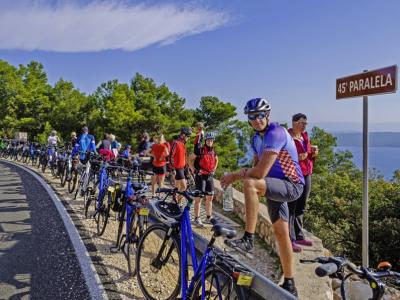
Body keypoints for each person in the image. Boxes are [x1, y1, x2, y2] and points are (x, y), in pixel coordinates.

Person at [221, 98, 304, 296]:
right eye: (252, 117)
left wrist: (233, 176)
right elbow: (256, 168)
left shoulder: (276, 132)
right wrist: (243, 173)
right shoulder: (256, 139)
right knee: (281, 233)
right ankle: (290, 283)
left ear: (267, 115)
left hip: (292, 185)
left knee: (250, 184)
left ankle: (248, 238)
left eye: (260, 115)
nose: (257, 120)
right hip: (274, 185)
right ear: (248, 120)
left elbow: (258, 174)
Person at [288, 113, 318, 251]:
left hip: (306, 174)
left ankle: (299, 237)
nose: (305, 125)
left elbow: (308, 157)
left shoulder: (305, 136)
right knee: (291, 207)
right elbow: (282, 156)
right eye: (302, 123)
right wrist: (298, 157)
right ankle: (290, 239)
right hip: (293, 175)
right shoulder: (287, 137)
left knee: (301, 206)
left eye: (306, 123)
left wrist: (313, 153)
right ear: (294, 123)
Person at [190, 129, 218, 227]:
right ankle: (197, 218)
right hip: (200, 176)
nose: (210, 142)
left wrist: (214, 169)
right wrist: (193, 170)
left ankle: (208, 217)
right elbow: (189, 159)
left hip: (209, 176)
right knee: (199, 198)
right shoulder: (200, 150)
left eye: (211, 140)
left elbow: (216, 159)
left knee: (210, 197)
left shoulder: (213, 151)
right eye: (208, 140)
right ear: (205, 141)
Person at [170, 127, 192, 194]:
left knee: (177, 187)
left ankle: (175, 202)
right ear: (183, 135)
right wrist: (173, 169)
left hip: (183, 168)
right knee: (184, 187)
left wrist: (187, 168)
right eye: (188, 136)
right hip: (178, 168)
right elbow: (171, 156)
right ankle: (176, 201)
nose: (188, 138)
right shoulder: (176, 143)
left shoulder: (183, 144)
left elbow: (184, 158)